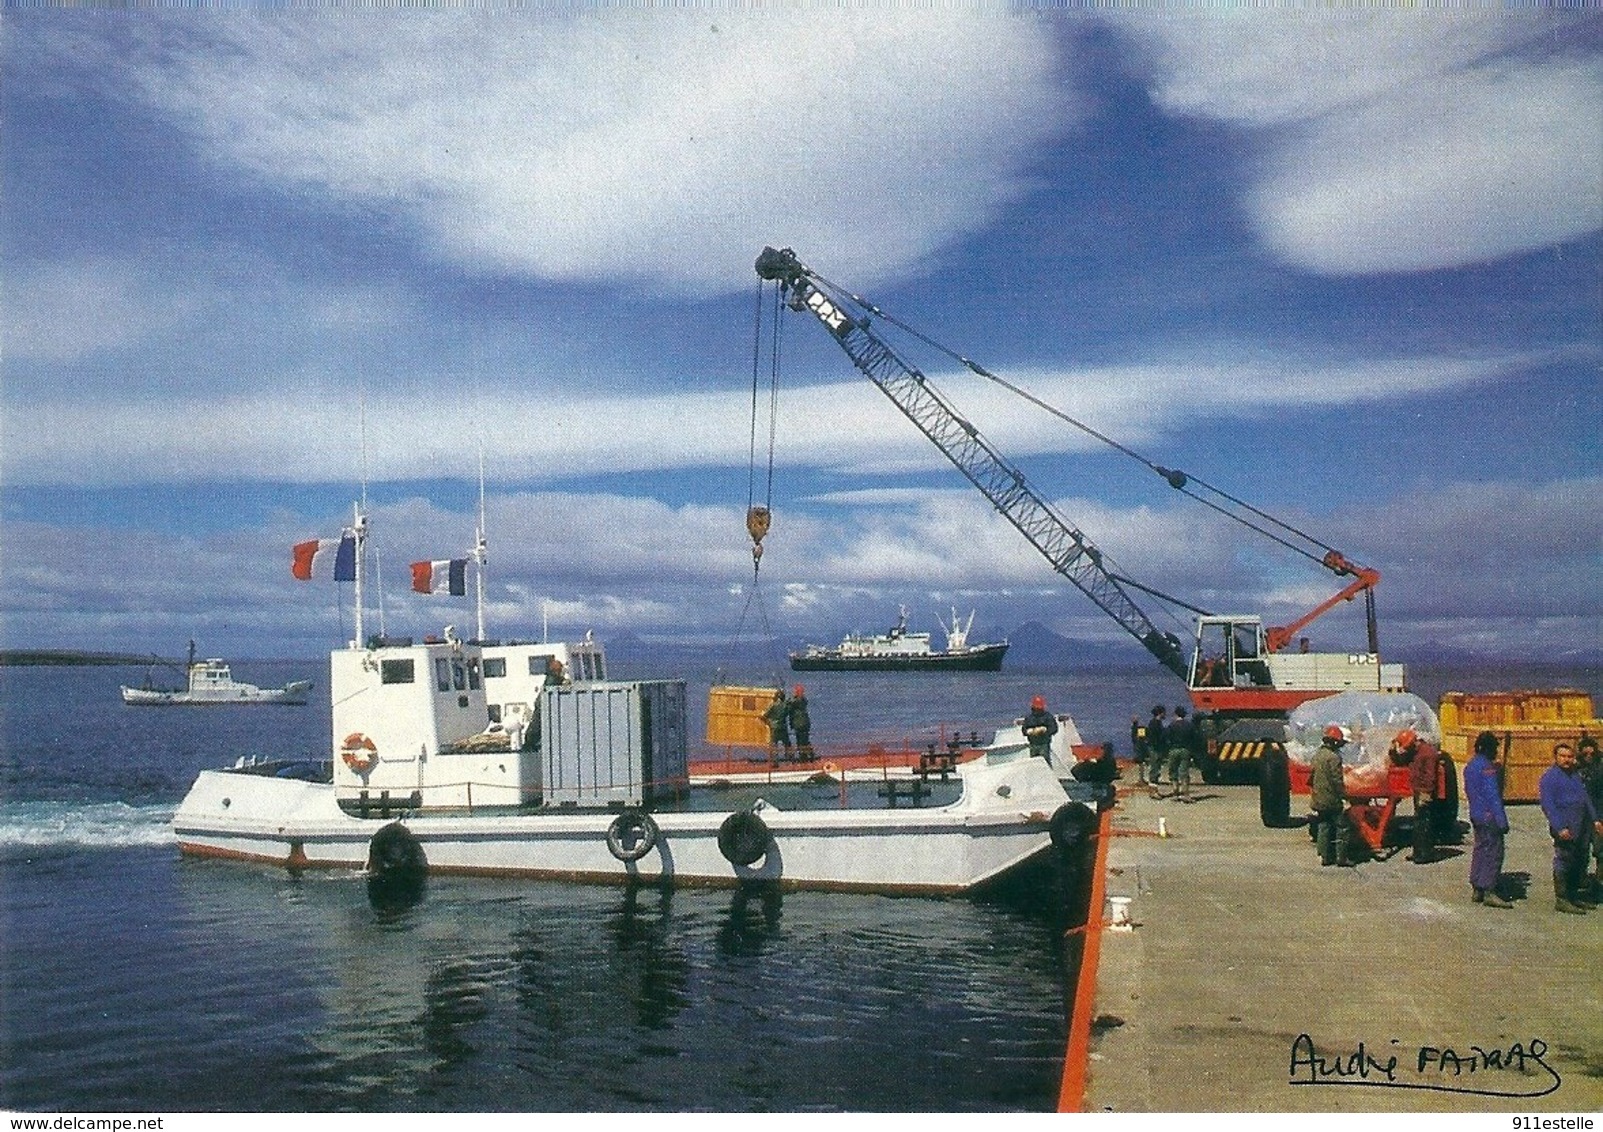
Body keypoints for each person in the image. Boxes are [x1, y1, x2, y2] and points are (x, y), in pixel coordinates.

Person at [1538, 741, 1602, 914]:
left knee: (1579, 861)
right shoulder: (1550, 777)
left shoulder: (1574, 774)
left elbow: (1585, 798)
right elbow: (1548, 805)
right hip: (1565, 827)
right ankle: (1562, 899)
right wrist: (1560, 827)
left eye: (1570, 756)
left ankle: (1573, 896)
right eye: (1563, 756)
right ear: (1556, 757)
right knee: (1564, 860)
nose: (1567, 760)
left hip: (1581, 825)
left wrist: (1595, 819)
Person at [1462, 730, 1512, 908]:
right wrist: (1502, 820)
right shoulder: (1487, 768)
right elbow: (1493, 796)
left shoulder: (1470, 766)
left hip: (1476, 813)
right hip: (1489, 815)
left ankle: (1477, 886)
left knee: (1480, 849)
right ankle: (1489, 889)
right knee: (1493, 852)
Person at [1393, 728, 1444, 864]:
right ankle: (1418, 852)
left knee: (1424, 823)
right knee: (1418, 822)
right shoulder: (1416, 751)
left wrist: (1426, 794)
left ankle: (1425, 854)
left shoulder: (1428, 753)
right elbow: (1402, 760)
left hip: (1425, 791)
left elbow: (1430, 776)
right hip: (1418, 789)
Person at [1309, 724, 1351, 867]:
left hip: (1319, 798)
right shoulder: (1333, 758)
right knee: (1342, 827)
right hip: (1331, 799)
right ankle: (1342, 858)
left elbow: (1311, 777)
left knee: (1323, 825)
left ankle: (1324, 857)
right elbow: (1337, 781)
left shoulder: (1317, 755)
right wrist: (1344, 797)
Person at [1579, 736, 1603, 900]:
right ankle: (1580, 882)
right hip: (1580, 817)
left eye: (1591, 751)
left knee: (1600, 851)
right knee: (1580, 851)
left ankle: (1600, 882)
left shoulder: (1600, 768)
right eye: (1585, 751)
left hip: (1599, 815)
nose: (1588, 754)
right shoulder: (1575, 769)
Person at [1165, 706, 1195, 800]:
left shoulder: (1172, 725)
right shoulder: (1189, 725)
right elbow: (1194, 737)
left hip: (1173, 749)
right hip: (1185, 750)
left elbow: (1166, 737)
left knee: (1173, 771)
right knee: (1184, 772)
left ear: (1176, 714)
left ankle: (1175, 793)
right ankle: (1186, 794)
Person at [1023, 695, 1058, 760]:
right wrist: (1028, 731)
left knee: (1045, 760)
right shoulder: (1029, 717)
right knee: (1034, 762)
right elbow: (1024, 730)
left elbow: (1054, 729)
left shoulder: (1048, 717)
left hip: (1043, 744)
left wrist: (1044, 730)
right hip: (1033, 744)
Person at [763, 689, 791, 761]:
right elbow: (787, 713)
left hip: (774, 727)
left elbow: (764, 715)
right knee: (787, 744)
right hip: (783, 727)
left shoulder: (773, 705)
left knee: (774, 745)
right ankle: (789, 759)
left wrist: (768, 722)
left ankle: (774, 761)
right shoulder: (785, 706)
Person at [786, 684, 813, 761]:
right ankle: (809, 755)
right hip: (805, 723)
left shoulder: (799, 700)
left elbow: (790, 703)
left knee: (801, 741)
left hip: (800, 723)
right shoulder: (803, 700)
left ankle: (803, 757)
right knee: (805, 740)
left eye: (796, 691)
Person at [1145, 705, 1167, 788]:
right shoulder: (1155, 723)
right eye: (1164, 712)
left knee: (1156, 763)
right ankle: (1153, 780)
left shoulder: (1154, 722)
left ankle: (1155, 779)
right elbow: (1156, 736)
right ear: (1160, 713)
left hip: (1155, 746)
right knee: (1155, 763)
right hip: (1155, 747)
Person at [1130, 716, 1147, 783]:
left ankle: (1141, 779)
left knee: (1141, 764)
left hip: (1139, 748)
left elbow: (1140, 739)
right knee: (1141, 764)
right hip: (1139, 748)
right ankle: (1141, 779)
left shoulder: (1137, 729)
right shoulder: (1137, 729)